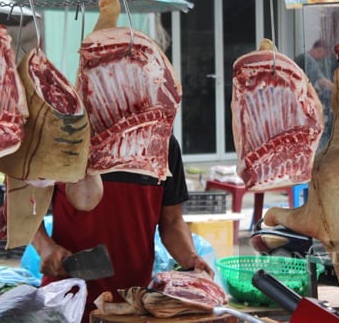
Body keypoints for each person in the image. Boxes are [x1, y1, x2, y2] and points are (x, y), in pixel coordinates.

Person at [32, 135, 214, 322]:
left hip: (130, 306)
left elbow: (172, 220)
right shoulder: (66, 133)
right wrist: (44, 246)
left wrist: (189, 257)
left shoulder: (162, 142)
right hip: (66, 301)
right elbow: (23, 207)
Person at [295, 39, 336, 147]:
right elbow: (322, 81)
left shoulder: (301, 57)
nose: (323, 58)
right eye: (323, 54)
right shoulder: (308, 60)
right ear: (319, 50)